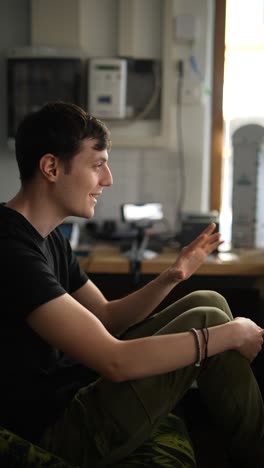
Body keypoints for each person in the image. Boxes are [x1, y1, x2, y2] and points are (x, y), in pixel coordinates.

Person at [0, 101, 263, 468]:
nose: (107, 179)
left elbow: (106, 317)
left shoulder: (49, 237)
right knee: (212, 321)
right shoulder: (10, 251)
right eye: (96, 165)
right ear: (51, 167)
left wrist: (173, 275)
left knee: (208, 299)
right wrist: (232, 334)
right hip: (59, 429)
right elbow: (114, 360)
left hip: (73, 395)